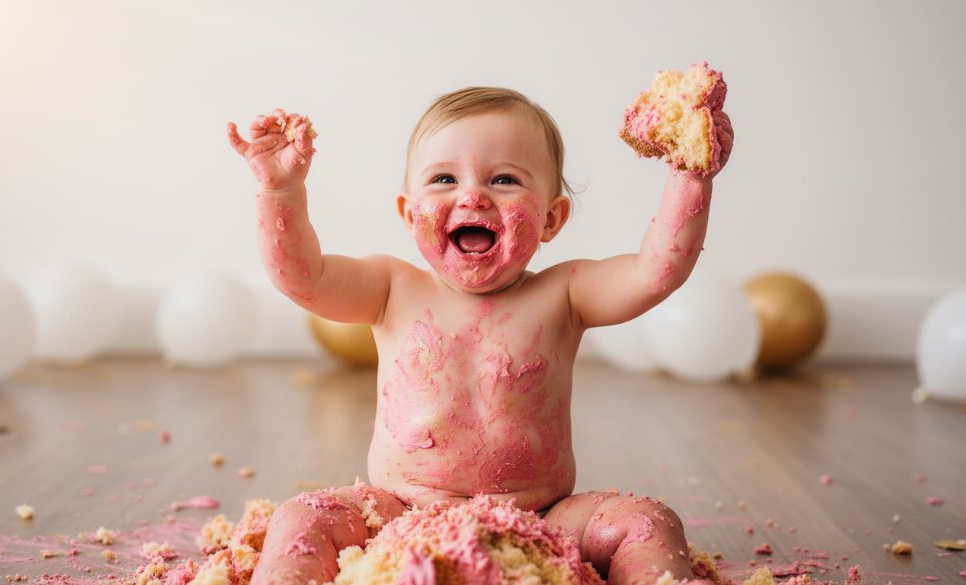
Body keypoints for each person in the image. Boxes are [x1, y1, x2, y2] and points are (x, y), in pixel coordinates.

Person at [226, 86, 733, 585]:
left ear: (551, 218)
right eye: (444, 178)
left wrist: (690, 177)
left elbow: (654, 271)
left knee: (647, 521)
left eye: (505, 179)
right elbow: (302, 276)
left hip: (542, 519)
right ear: (408, 214)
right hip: (397, 513)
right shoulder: (390, 288)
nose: (472, 194)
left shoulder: (566, 294)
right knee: (303, 516)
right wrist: (279, 191)